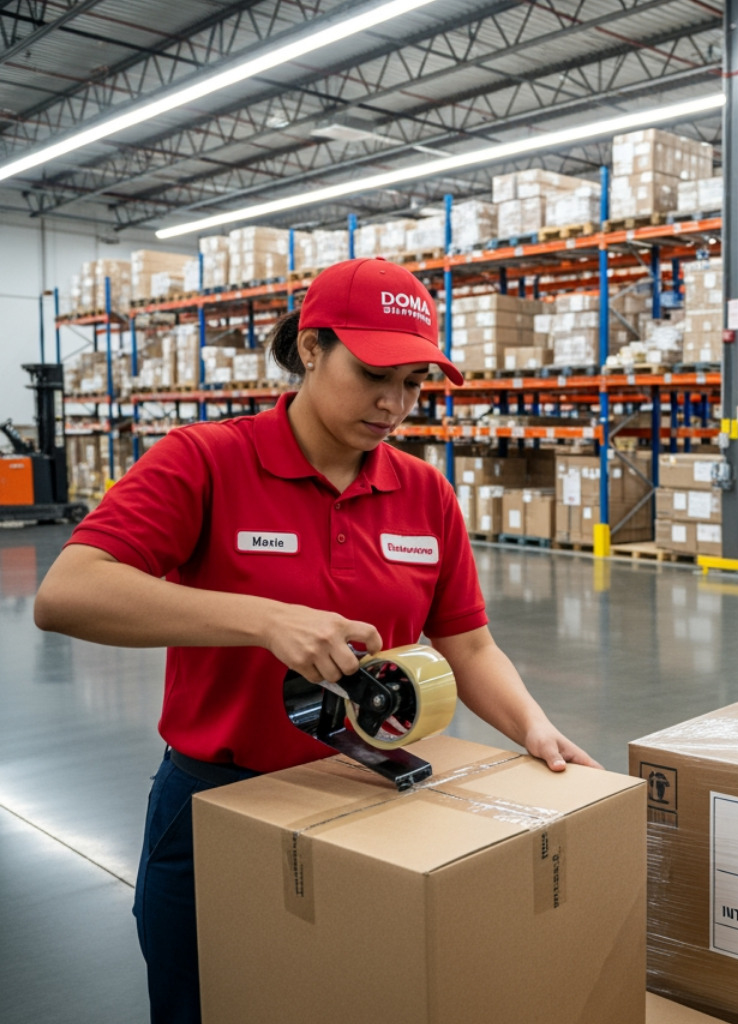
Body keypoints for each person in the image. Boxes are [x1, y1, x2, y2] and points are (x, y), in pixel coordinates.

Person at [33, 256, 598, 1023]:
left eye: (414, 384)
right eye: (374, 374)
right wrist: (264, 618)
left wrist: (537, 731)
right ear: (309, 348)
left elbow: (466, 643)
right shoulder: (206, 460)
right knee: (207, 1001)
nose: (395, 404)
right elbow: (68, 594)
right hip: (218, 802)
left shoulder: (423, 491)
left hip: (377, 795)